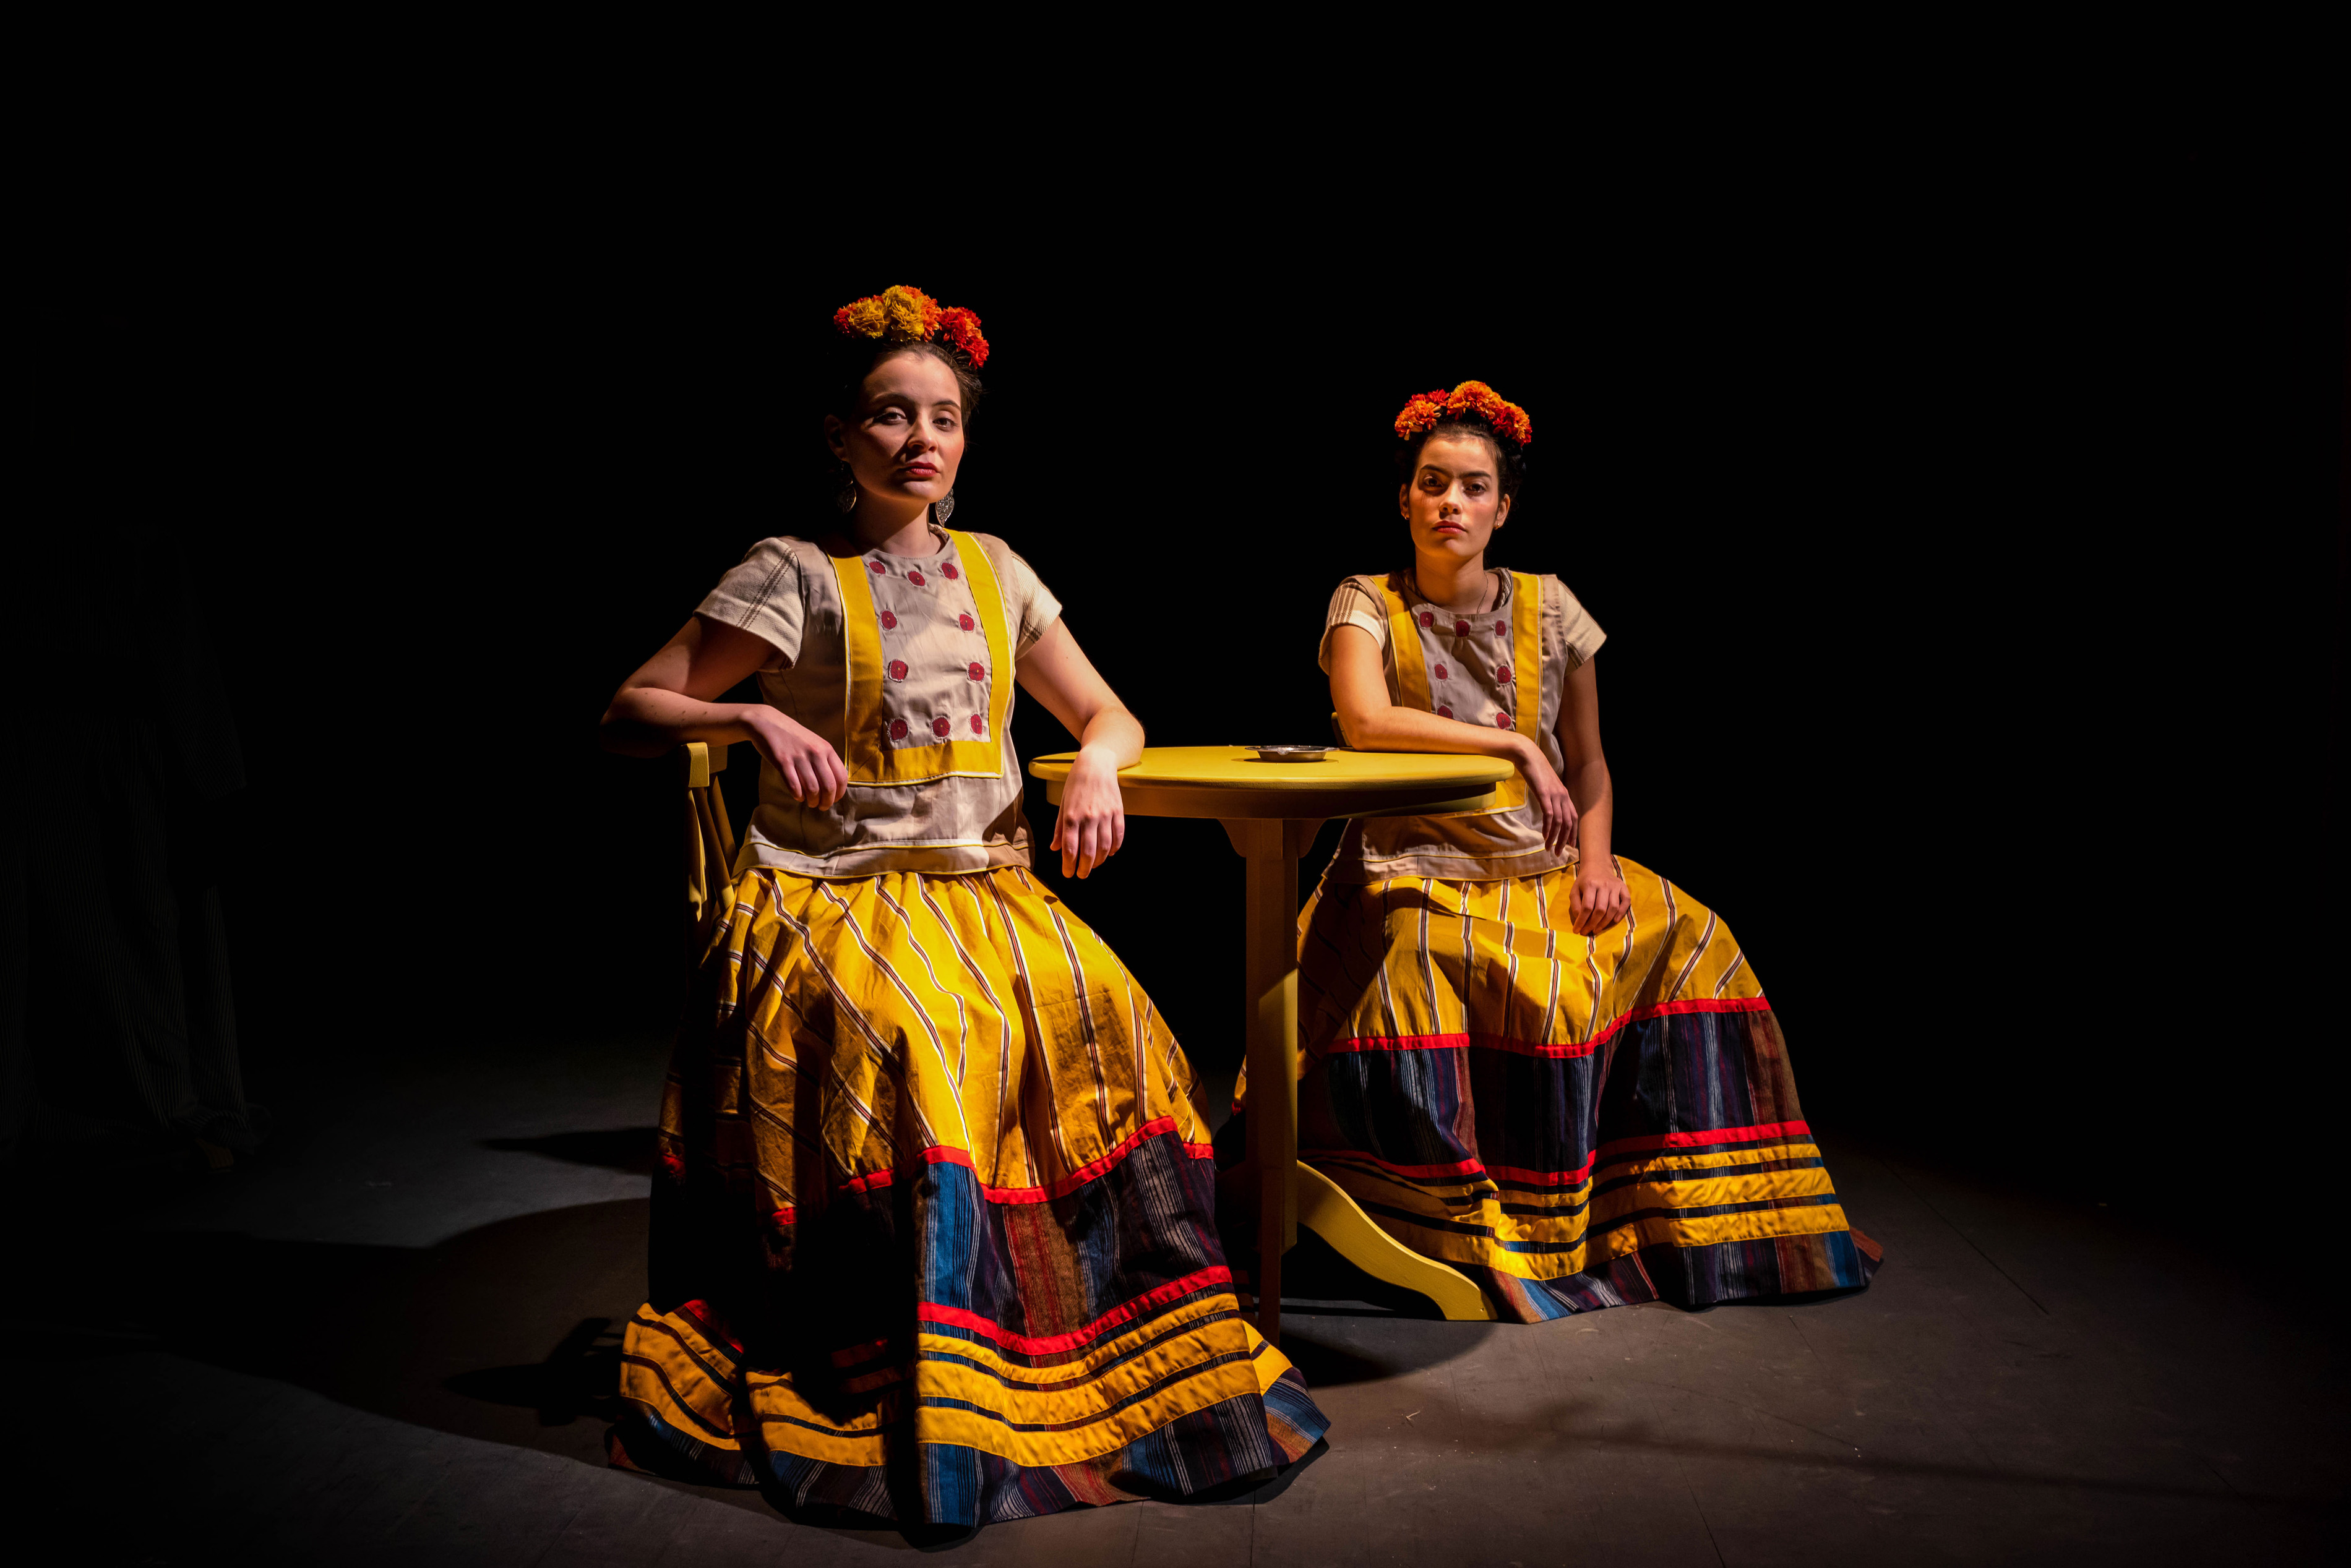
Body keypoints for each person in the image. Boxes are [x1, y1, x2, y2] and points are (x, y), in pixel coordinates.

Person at [597, 287, 1325, 1539]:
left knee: (1111, 1015)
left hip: (982, 887)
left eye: (942, 418)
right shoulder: (792, 573)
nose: (920, 438)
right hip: (834, 893)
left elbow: (1109, 712)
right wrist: (748, 713)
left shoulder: (994, 569)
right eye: (891, 414)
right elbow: (630, 709)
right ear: (841, 436)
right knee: (927, 1035)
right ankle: (921, 1365)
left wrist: (1096, 766)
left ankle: (1086, 1344)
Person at [1251, 380, 1879, 1322]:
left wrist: (1595, 864)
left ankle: (1692, 1220)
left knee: (1696, 939)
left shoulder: (1551, 608)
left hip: (1538, 867)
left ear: (1503, 508)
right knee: (1421, 966)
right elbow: (1366, 720)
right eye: (1433, 483)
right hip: (1414, 867)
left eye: (1473, 487)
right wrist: (1512, 743)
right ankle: (1434, 1226)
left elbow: (1588, 763)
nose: (1451, 502)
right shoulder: (1365, 601)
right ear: (1405, 499)